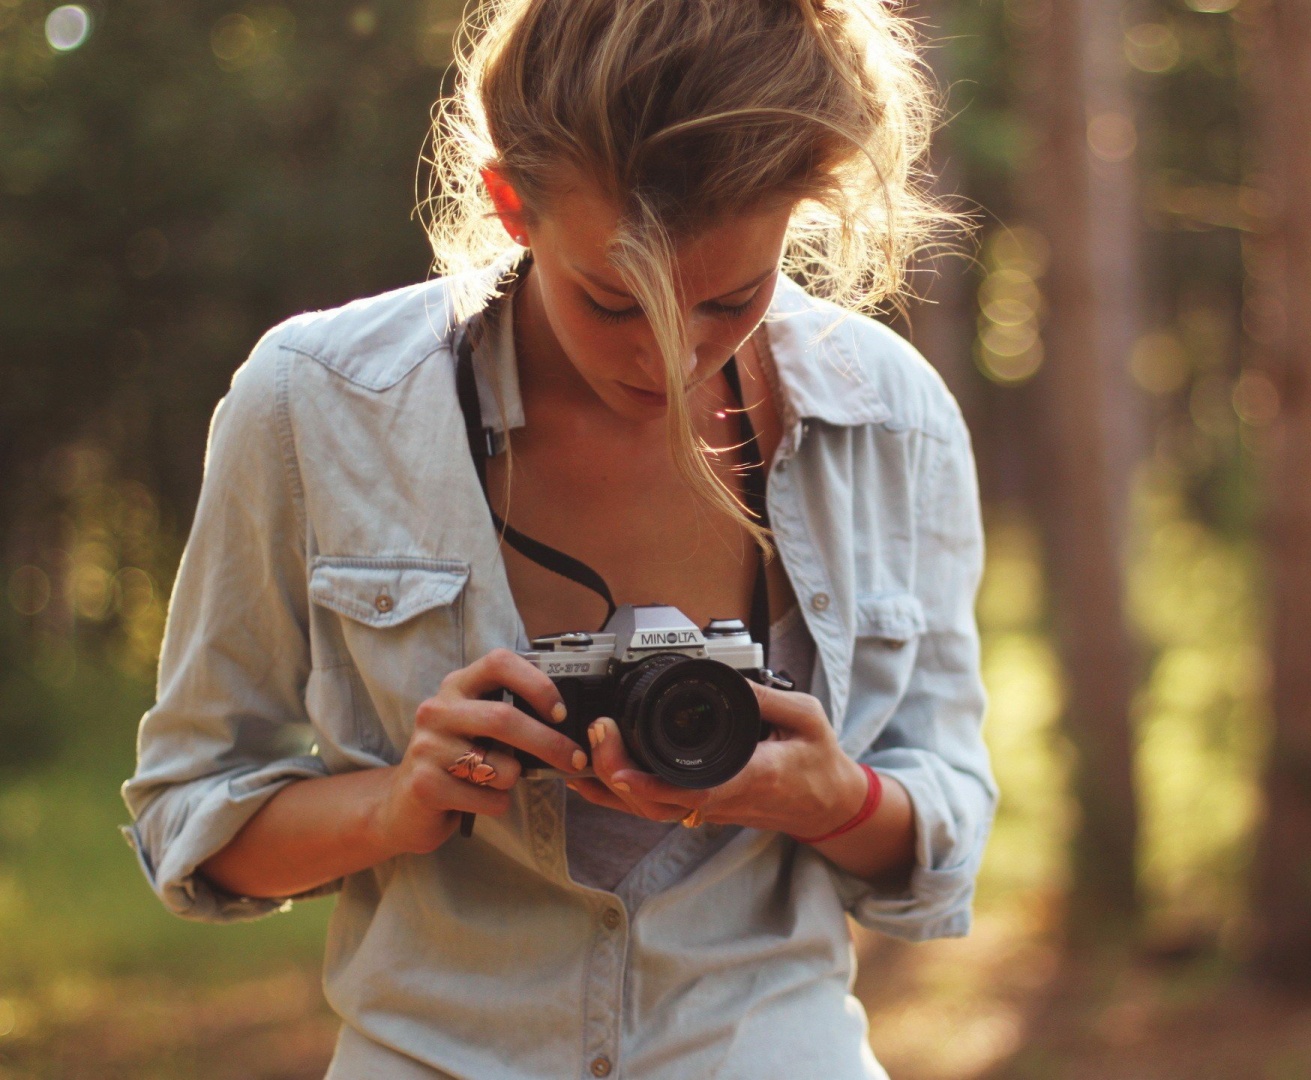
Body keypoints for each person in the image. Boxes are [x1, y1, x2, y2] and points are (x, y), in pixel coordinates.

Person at [120, 0, 994, 1073]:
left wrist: (829, 800)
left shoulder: (891, 419)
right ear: (510, 204)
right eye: (615, 304)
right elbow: (190, 819)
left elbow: (945, 833)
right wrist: (398, 804)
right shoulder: (318, 404)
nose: (669, 360)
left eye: (731, 300)